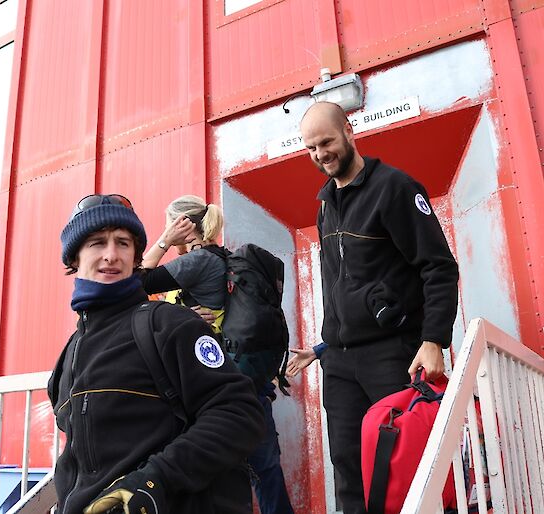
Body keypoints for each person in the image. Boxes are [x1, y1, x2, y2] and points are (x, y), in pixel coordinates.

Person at [48, 194, 265, 514]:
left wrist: (155, 480)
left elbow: (240, 414)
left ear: (136, 255)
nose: (111, 255)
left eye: (123, 243)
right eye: (97, 243)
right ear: (74, 259)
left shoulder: (168, 324)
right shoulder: (68, 355)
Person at [299, 102, 459, 514]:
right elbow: (343, 285)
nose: (320, 154)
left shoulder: (395, 188)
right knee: (348, 468)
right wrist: (322, 348)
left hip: (392, 355)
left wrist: (434, 340)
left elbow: (438, 268)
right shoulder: (325, 203)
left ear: (349, 132)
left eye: (327, 142)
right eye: (311, 148)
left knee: (402, 464)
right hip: (339, 363)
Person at [141, 194, 295, 514]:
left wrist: (163, 241)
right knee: (265, 470)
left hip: (215, 384)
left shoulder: (197, 261)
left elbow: (135, 281)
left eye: (169, 223)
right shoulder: (220, 257)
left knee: (218, 474)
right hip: (247, 380)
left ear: (181, 225)